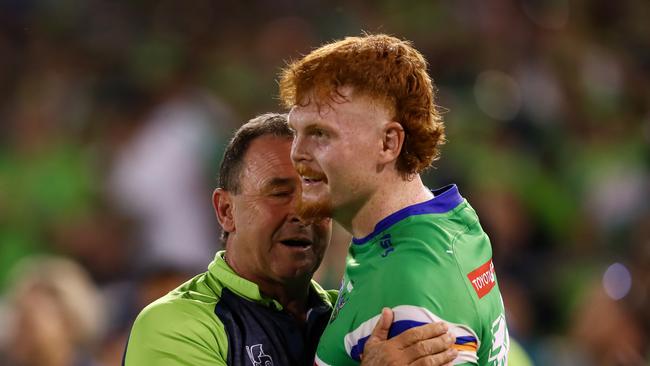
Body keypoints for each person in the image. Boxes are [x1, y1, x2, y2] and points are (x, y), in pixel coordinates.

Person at [123, 113, 459, 365]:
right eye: (280, 192)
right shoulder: (174, 326)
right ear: (226, 210)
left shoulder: (352, 318)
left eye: (317, 192)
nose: (303, 211)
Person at [280, 34, 510, 365]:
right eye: (295, 132)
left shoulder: (412, 289)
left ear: (388, 143)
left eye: (320, 134)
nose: (297, 154)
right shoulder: (442, 223)